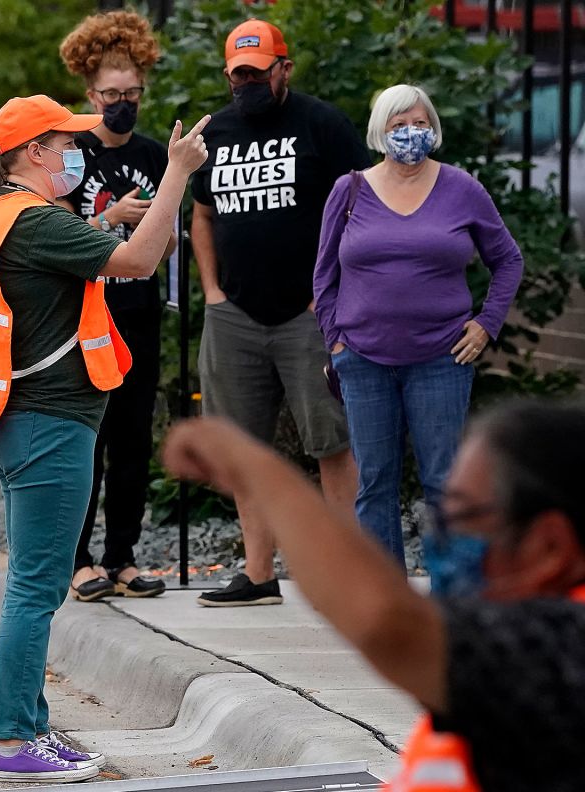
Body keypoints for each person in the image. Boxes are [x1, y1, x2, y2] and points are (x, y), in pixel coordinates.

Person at [0, 94, 208, 782]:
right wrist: (176, 171)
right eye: (66, 143)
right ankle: (12, 744)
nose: (77, 155)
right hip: (47, 426)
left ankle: (31, 728)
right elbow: (138, 261)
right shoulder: (32, 223)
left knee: (35, 582)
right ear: (32, 153)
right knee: (36, 589)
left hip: (20, 421)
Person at [163, 399, 585, 792]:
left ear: (549, 547)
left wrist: (252, 466)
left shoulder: (565, 652)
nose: (445, 539)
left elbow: (390, 625)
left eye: (463, 517)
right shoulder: (509, 678)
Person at [190, 18, 368, 607]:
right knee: (243, 447)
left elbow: (360, 210)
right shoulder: (216, 131)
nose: (246, 83)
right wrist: (212, 291)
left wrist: (332, 292)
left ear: (283, 68)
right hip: (235, 313)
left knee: (331, 439)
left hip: (310, 313)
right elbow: (202, 216)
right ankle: (259, 574)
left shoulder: (324, 125)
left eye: (257, 72)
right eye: (237, 74)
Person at [313, 85, 524, 567]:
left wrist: (486, 324)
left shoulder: (462, 188)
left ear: (434, 126)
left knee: (445, 483)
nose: (411, 132)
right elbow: (324, 274)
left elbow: (508, 260)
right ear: (380, 131)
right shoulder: (350, 190)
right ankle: (390, 608)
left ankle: (455, 597)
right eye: (398, 124)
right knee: (375, 484)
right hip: (363, 360)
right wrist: (337, 341)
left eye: (420, 122)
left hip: (441, 359)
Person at [58, 9, 169, 602]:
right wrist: (110, 219)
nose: (122, 103)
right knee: (88, 443)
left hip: (140, 316)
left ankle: (122, 555)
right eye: (111, 94)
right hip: (86, 320)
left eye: (132, 93)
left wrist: (158, 232)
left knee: (133, 442)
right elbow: (59, 232)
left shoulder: (154, 156)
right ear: (89, 92)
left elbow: (166, 233)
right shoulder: (72, 154)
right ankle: (78, 561)